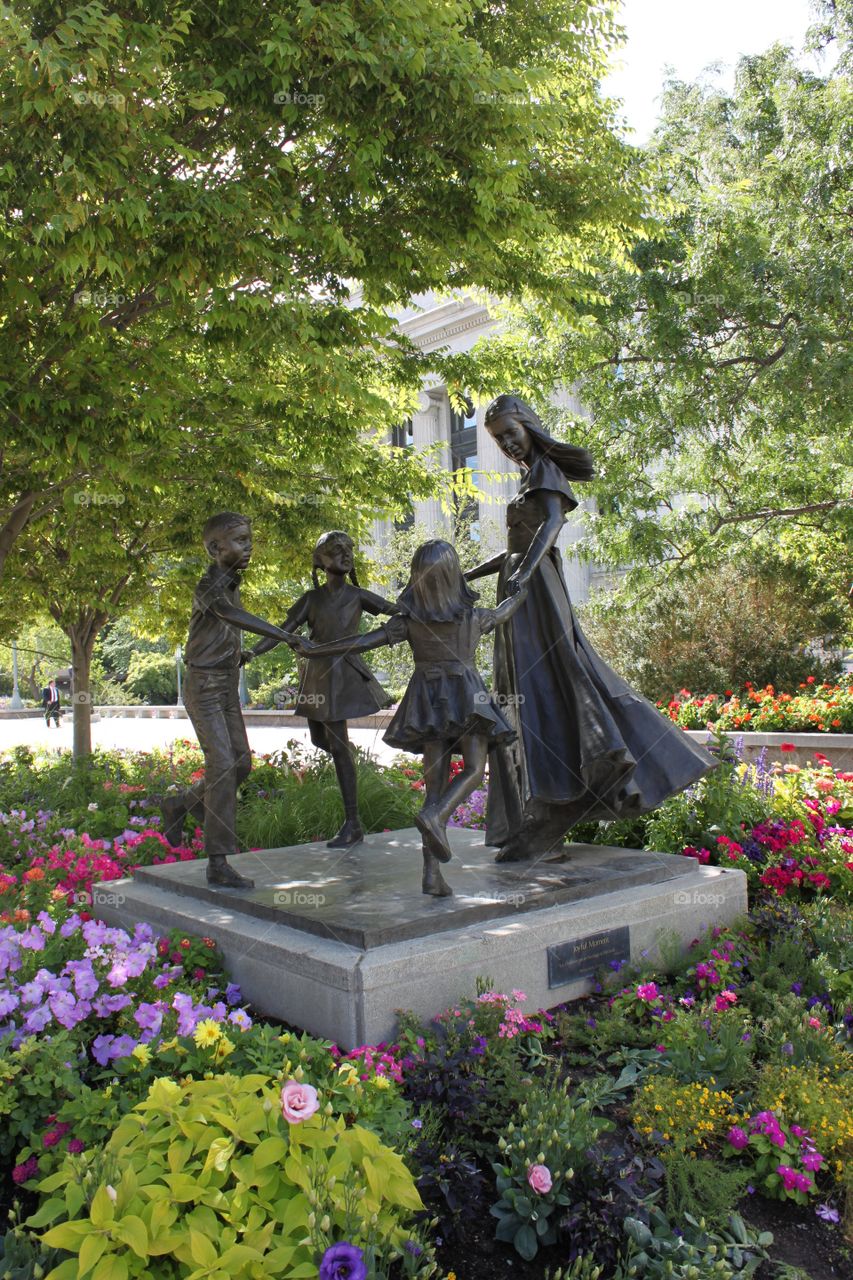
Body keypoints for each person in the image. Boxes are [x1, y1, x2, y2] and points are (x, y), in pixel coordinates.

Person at [465, 394, 716, 863]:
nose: (507, 445)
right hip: (521, 588)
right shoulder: (525, 480)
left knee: (552, 680)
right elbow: (514, 549)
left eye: (511, 434)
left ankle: (576, 788)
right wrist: (469, 576)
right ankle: (542, 811)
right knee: (524, 689)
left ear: (529, 427)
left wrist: (523, 573)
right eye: (498, 440)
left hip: (536, 593)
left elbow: (552, 525)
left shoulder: (545, 473)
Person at [296, 540, 528, 896]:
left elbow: (359, 642)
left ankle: (432, 874)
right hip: (467, 699)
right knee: (473, 769)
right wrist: (521, 587)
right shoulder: (473, 617)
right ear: (454, 577)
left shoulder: (409, 623)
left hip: (427, 701)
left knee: (433, 790)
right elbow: (506, 610)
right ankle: (437, 819)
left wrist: (318, 648)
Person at [160, 512, 298, 888]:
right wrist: (285, 636)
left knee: (240, 764)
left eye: (249, 538)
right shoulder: (210, 585)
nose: (248, 545)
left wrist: (244, 653)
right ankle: (218, 861)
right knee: (222, 764)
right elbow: (230, 615)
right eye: (239, 540)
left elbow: (227, 629)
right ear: (215, 548)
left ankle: (180, 804)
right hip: (203, 687)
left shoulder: (232, 581)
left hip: (225, 685)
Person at [244, 530, 398, 849]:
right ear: (320, 560)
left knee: (339, 745)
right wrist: (253, 652)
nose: (344, 553)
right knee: (319, 739)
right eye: (335, 549)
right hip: (316, 675)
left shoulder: (359, 596)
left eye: (348, 549)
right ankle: (347, 760)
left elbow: (395, 610)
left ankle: (352, 822)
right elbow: (282, 632)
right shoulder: (311, 599)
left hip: (343, 675)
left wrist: (423, 607)